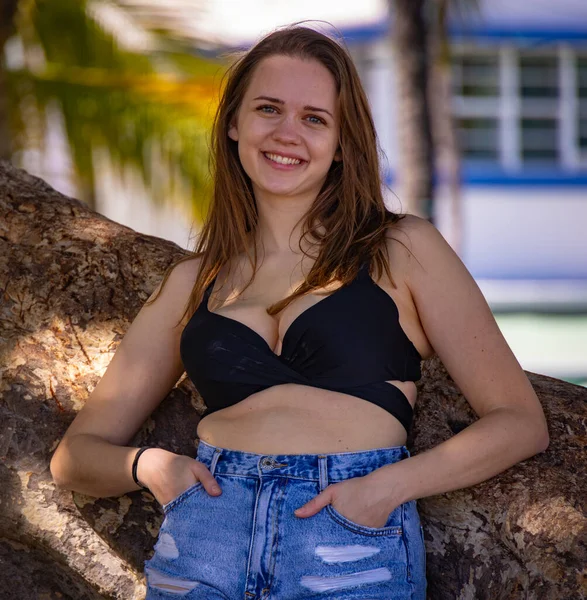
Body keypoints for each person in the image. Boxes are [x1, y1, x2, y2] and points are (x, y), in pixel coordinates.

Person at [49, 24, 549, 600]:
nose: (288, 133)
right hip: (204, 545)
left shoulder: (402, 250)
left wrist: (385, 489)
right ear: (234, 123)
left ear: (342, 142)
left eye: (315, 118)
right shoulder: (195, 282)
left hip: (349, 546)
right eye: (268, 109)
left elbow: (518, 421)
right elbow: (75, 459)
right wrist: (154, 468)